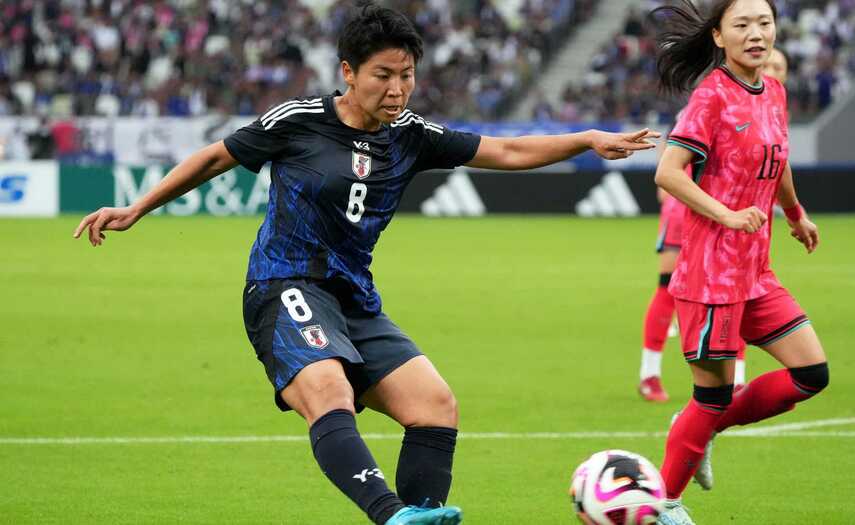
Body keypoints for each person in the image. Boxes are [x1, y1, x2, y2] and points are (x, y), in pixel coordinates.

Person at [73, 4, 659, 525]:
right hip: (284, 285)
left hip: (353, 298)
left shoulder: (412, 135)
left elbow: (503, 149)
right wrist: (138, 207)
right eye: (383, 75)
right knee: (328, 390)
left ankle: (421, 520)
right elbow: (213, 159)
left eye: (406, 75)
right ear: (348, 72)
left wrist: (585, 139)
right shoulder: (298, 120)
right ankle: (391, 515)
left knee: (436, 405)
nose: (398, 89)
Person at [649, 1, 829, 523]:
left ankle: (702, 428)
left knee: (811, 373)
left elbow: (779, 159)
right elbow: (669, 172)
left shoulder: (773, 90)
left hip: (756, 272)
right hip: (711, 277)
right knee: (713, 396)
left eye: (764, 22)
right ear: (718, 37)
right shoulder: (710, 98)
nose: (756, 33)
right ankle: (663, 504)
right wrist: (727, 215)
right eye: (743, 25)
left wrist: (795, 213)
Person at [637, 46, 789, 402]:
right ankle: (650, 373)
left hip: (742, 218)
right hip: (690, 210)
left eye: (779, 66)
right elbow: (674, 149)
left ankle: (736, 380)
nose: (772, 70)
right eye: (768, 63)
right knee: (667, 287)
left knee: (742, 291)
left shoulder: (772, 106)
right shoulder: (719, 96)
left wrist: (794, 212)